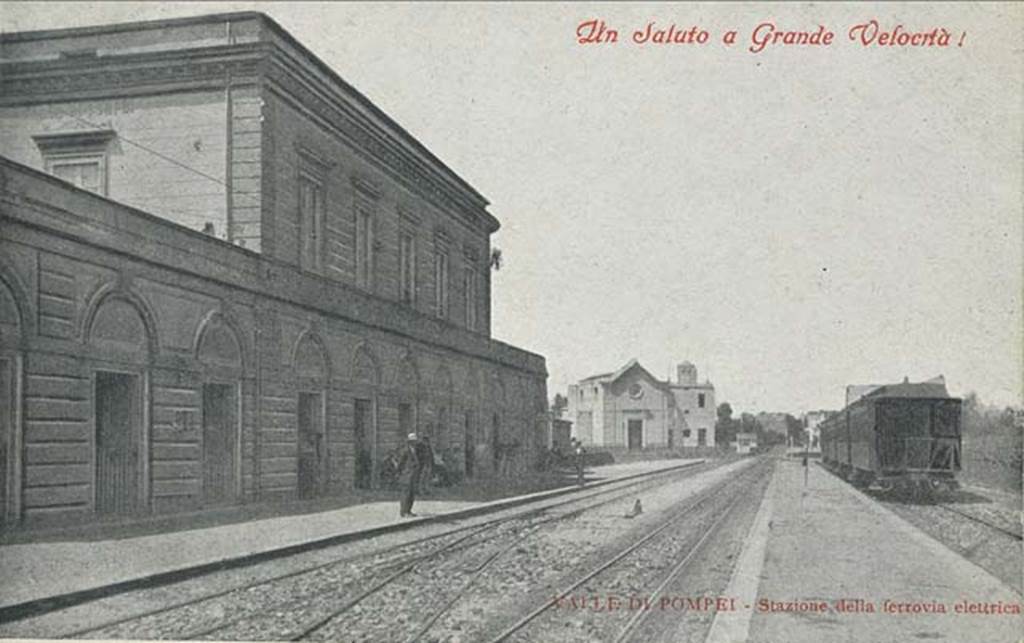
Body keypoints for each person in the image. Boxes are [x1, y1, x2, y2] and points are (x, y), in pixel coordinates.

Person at [396, 433, 423, 517]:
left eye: (415, 441)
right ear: (409, 442)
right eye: (412, 441)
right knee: (406, 494)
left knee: (411, 494)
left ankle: (409, 511)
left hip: (413, 475)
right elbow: (400, 463)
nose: (414, 443)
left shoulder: (414, 450)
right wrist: (400, 473)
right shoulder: (405, 451)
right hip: (406, 475)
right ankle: (404, 512)